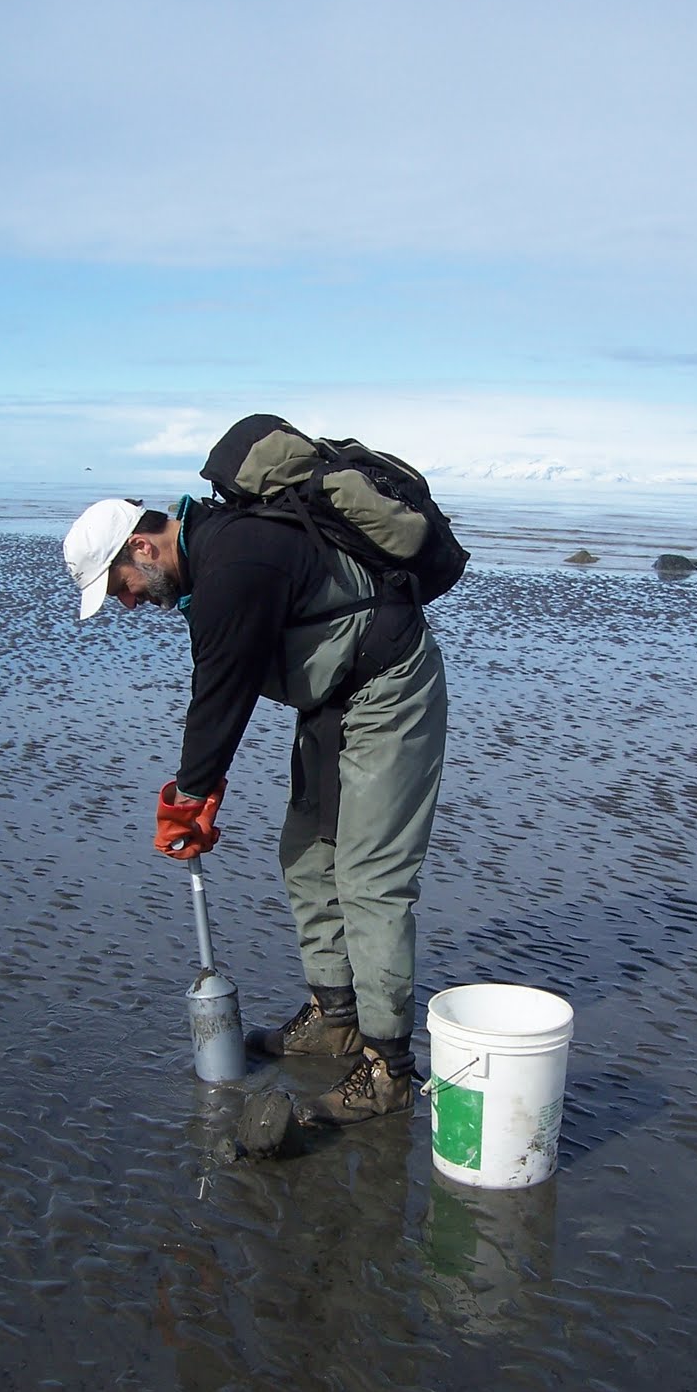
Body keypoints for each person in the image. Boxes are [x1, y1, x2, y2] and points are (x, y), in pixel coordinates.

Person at [62, 415, 448, 1125]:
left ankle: (388, 1067)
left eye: (118, 583)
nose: (125, 601)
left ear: (142, 544)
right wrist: (196, 790)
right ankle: (337, 1018)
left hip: (389, 688)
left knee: (371, 877)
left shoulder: (233, 564)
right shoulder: (215, 559)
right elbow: (223, 687)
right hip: (335, 700)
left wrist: (190, 796)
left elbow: (222, 692)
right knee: (305, 855)